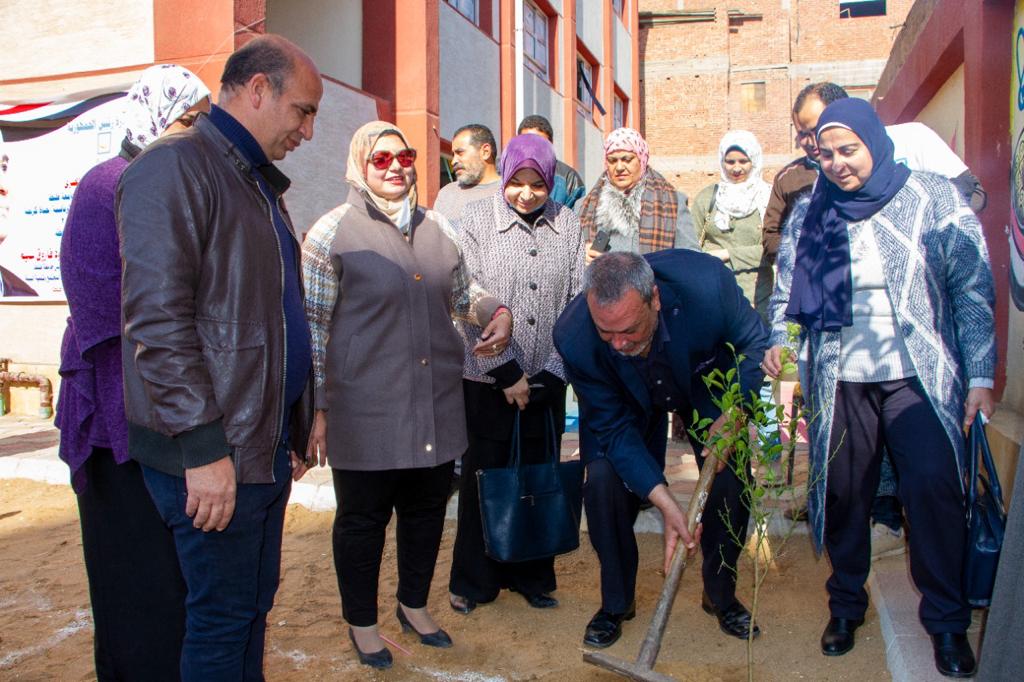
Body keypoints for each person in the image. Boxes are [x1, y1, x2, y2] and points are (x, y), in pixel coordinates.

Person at [762, 98, 995, 678]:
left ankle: (946, 622)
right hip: (840, 378)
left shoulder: (933, 196)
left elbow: (971, 287)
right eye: (828, 152)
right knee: (844, 496)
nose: (838, 164)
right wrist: (786, 362)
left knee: (934, 493)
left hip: (920, 377)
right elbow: (787, 295)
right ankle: (846, 605)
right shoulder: (813, 209)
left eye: (850, 150)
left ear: (875, 142)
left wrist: (983, 375)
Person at [116, 36, 321, 681]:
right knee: (221, 622)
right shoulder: (174, 167)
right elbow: (158, 322)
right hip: (211, 458)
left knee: (249, 611)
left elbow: (270, 317)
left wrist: (291, 424)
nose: (308, 131)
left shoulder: (254, 181)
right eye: (303, 111)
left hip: (254, 450)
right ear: (258, 90)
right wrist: (204, 451)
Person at [302, 120, 512, 669]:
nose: (396, 166)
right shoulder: (330, 233)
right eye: (381, 158)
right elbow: (313, 327)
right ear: (360, 165)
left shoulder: (440, 226)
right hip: (363, 409)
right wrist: (317, 408)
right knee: (363, 521)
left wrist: (496, 311)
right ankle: (362, 622)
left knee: (424, 514)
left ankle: (414, 605)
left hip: (436, 404)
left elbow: (465, 295)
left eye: (405, 155)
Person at [55, 64, 209, 682]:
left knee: (168, 589)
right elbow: (112, 315)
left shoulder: (161, 184)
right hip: (117, 426)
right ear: (151, 116)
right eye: (186, 121)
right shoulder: (108, 185)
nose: (196, 135)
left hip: (160, 418)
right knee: (133, 590)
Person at [553, 250, 770, 648]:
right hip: (623, 399)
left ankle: (720, 595)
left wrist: (739, 409)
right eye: (607, 332)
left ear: (654, 298)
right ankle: (616, 603)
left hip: (701, 380)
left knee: (730, 478)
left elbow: (754, 344)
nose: (618, 344)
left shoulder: (707, 286)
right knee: (602, 480)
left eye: (629, 330)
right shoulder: (575, 336)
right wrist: (667, 503)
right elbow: (613, 430)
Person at [448, 133, 585, 614]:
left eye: (537, 184)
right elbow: (463, 298)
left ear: (550, 182)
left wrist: (550, 373)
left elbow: (576, 304)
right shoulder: (476, 220)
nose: (526, 193)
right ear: (504, 175)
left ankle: (532, 575)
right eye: (517, 183)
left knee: (536, 477)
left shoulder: (568, 225)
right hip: (488, 381)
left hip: (545, 381)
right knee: (485, 478)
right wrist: (503, 372)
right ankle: (474, 580)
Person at [578, 127, 698, 263]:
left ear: (642, 159)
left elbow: (692, 258)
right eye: (612, 161)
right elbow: (567, 258)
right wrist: (581, 255)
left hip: (653, 283)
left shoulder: (672, 203)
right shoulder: (585, 206)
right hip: (601, 283)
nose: (619, 167)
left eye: (627, 159)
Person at [692, 130, 773, 320]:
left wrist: (726, 254)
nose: (736, 169)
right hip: (713, 294)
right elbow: (690, 246)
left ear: (754, 160)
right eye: (730, 162)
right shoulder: (708, 197)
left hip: (756, 296)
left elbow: (772, 251)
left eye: (743, 161)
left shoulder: (768, 199)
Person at [433, 123, 501, 226]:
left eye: (460, 153)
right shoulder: (446, 194)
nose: (453, 161)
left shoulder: (509, 194)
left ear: (486, 152)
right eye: (453, 155)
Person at [517, 114, 586, 209]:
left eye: (540, 144)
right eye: (527, 142)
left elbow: (576, 218)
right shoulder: (502, 171)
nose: (533, 149)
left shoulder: (569, 179)